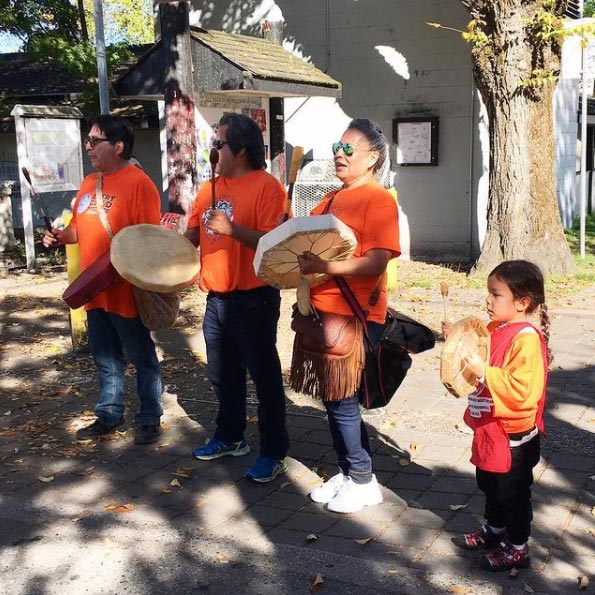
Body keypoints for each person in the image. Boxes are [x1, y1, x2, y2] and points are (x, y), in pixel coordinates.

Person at [294, 118, 401, 513]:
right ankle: (348, 470)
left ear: (372, 158)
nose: (339, 154)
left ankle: (362, 478)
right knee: (333, 399)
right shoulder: (331, 199)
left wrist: (327, 267)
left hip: (354, 319)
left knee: (342, 401)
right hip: (321, 316)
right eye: (337, 146)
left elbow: (376, 261)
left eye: (349, 149)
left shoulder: (379, 199)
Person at [42, 115, 163, 445]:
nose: (88, 147)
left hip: (125, 290)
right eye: (88, 140)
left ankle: (150, 418)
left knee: (140, 356)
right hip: (93, 291)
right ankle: (109, 415)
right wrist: (60, 236)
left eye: (96, 141)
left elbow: (149, 239)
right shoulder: (88, 183)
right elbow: (79, 231)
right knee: (106, 358)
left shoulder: (140, 184)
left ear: (119, 146)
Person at [185, 113, 290, 483]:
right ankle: (231, 437)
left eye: (219, 144)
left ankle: (274, 451)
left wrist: (231, 230)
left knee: (264, 379)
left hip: (254, 299)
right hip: (216, 299)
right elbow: (192, 238)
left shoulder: (268, 188)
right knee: (222, 374)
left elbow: (275, 244)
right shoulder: (208, 188)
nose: (213, 150)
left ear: (242, 150)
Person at [442, 260, 551, 571]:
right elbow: (476, 345)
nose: (488, 301)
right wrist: (456, 336)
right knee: (489, 484)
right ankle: (494, 530)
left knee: (513, 495)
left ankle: (518, 547)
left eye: (496, 294)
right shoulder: (495, 329)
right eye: (488, 293)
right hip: (490, 427)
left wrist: (483, 371)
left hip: (514, 436)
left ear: (522, 303)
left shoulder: (526, 339)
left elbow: (523, 390)